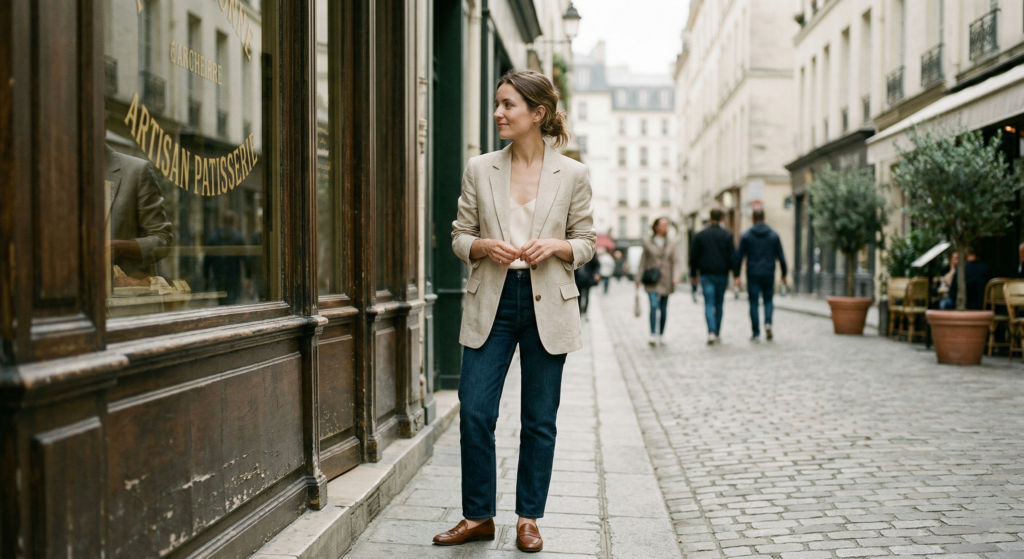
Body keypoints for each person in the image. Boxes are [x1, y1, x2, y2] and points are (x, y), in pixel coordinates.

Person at [439, 69, 595, 553]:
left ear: (537, 113)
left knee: (539, 420)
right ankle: (477, 515)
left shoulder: (572, 173)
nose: (498, 113)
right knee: (476, 411)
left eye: (508, 105)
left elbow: (586, 242)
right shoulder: (479, 167)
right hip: (494, 300)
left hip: (548, 303)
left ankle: (529, 518)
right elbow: (458, 236)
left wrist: (558, 247)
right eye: (498, 104)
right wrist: (482, 245)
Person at [105, 144, 173, 278]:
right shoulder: (57, 171)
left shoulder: (136, 170)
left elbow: (162, 240)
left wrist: (117, 248)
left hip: (122, 293)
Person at [734, 208, 788, 341]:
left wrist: (736, 275)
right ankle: (768, 323)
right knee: (768, 300)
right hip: (769, 272)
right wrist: (784, 273)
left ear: (752, 218)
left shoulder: (746, 235)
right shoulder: (773, 235)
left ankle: (756, 332)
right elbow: (781, 256)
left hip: (752, 273)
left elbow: (739, 256)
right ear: (764, 218)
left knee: (753, 302)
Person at [689, 208, 736, 344]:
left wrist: (693, 274)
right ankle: (717, 331)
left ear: (709, 218)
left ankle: (711, 331)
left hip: (706, 274)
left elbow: (693, 257)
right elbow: (732, 256)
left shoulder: (700, 235)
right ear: (721, 219)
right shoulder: (727, 234)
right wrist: (736, 274)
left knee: (709, 303)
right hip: (722, 274)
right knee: (719, 304)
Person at [637, 217, 680, 346]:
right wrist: (638, 278)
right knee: (654, 306)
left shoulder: (671, 243)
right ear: (656, 226)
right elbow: (643, 261)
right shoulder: (647, 242)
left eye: (666, 225)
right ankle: (652, 334)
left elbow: (676, 261)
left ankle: (661, 334)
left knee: (663, 308)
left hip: (667, 279)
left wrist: (676, 276)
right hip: (652, 278)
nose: (665, 227)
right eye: (662, 225)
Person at [204, 210, 247, 305]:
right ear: (234, 222)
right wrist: (248, 276)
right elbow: (245, 258)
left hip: (218, 274)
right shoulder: (238, 237)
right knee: (233, 301)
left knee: (222, 300)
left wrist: (206, 277)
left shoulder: (213, 237)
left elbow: (206, 260)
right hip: (234, 275)